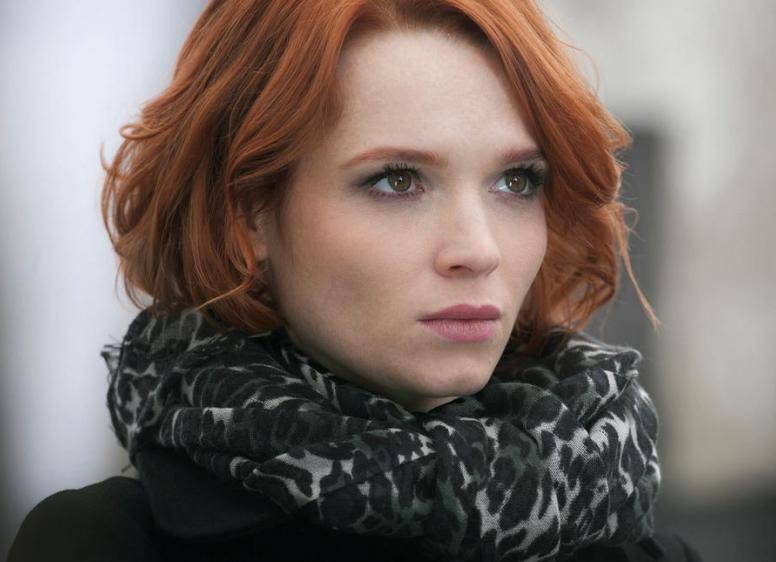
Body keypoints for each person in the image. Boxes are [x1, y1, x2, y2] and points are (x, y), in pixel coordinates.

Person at [9, 1, 703, 561]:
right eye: (397, 180)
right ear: (247, 214)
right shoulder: (108, 547)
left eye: (516, 181)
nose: (478, 249)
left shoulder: (636, 549)